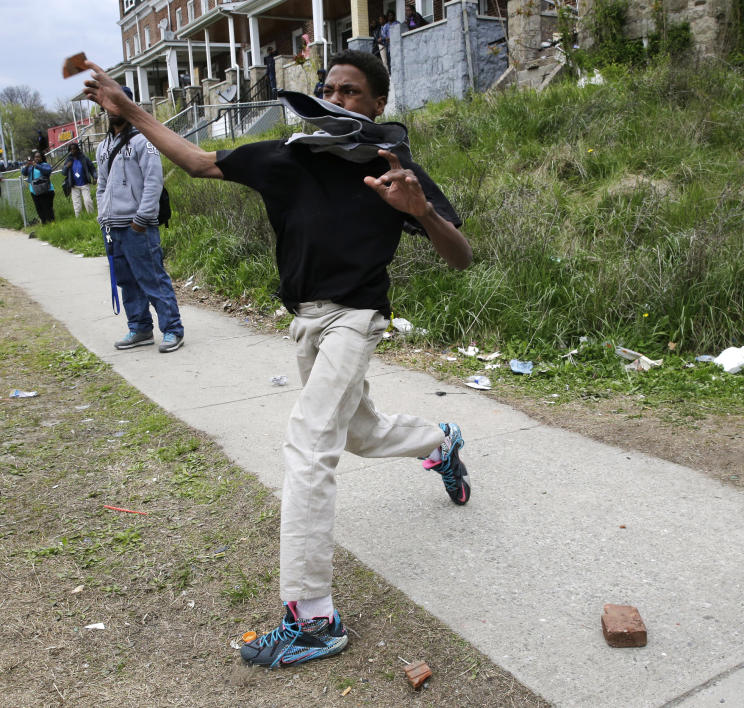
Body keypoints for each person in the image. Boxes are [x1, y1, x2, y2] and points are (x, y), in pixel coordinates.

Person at [84, 49, 473, 668]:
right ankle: (439, 441)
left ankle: (313, 617)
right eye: (329, 88)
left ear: (378, 105)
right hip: (307, 321)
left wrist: (420, 212)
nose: (337, 98)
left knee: (309, 443)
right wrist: (128, 108)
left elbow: (462, 257)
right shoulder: (285, 156)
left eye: (351, 92)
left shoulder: (396, 171)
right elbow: (196, 160)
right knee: (361, 433)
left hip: (357, 318)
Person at [95, 85, 184, 354]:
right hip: (113, 227)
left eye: (118, 104)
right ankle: (140, 328)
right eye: (108, 106)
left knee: (152, 279)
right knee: (126, 281)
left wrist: (142, 218)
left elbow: (153, 182)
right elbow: (101, 185)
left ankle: (172, 329)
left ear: (129, 106)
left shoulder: (144, 141)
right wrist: (103, 216)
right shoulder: (102, 146)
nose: (112, 110)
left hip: (138, 226)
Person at [62, 142, 97, 217]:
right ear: (69, 150)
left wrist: (95, 177)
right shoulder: (68, 160)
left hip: (84, 183)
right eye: (71, 149)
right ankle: (79, 219)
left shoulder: (84, 158)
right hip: (74, 185)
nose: (73, 150)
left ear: (77, 149)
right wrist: (67, 166)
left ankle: (91, 216)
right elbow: (63, 173)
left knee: (87, 201)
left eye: (74, 149)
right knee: (77, 204)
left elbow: (92, 168)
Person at [21, 150, 55, 224]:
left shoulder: (44, 165)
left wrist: (37, 166)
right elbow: (23, 172)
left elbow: (48, 171)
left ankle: (52, 223)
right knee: (39, 208)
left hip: (46, 191)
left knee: (47, 208)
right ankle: (44, 223)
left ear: (42, 158)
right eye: (35, 157)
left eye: (38, 157)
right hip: (34, 191)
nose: (36, 158)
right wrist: (27, 165)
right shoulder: (31, 167)